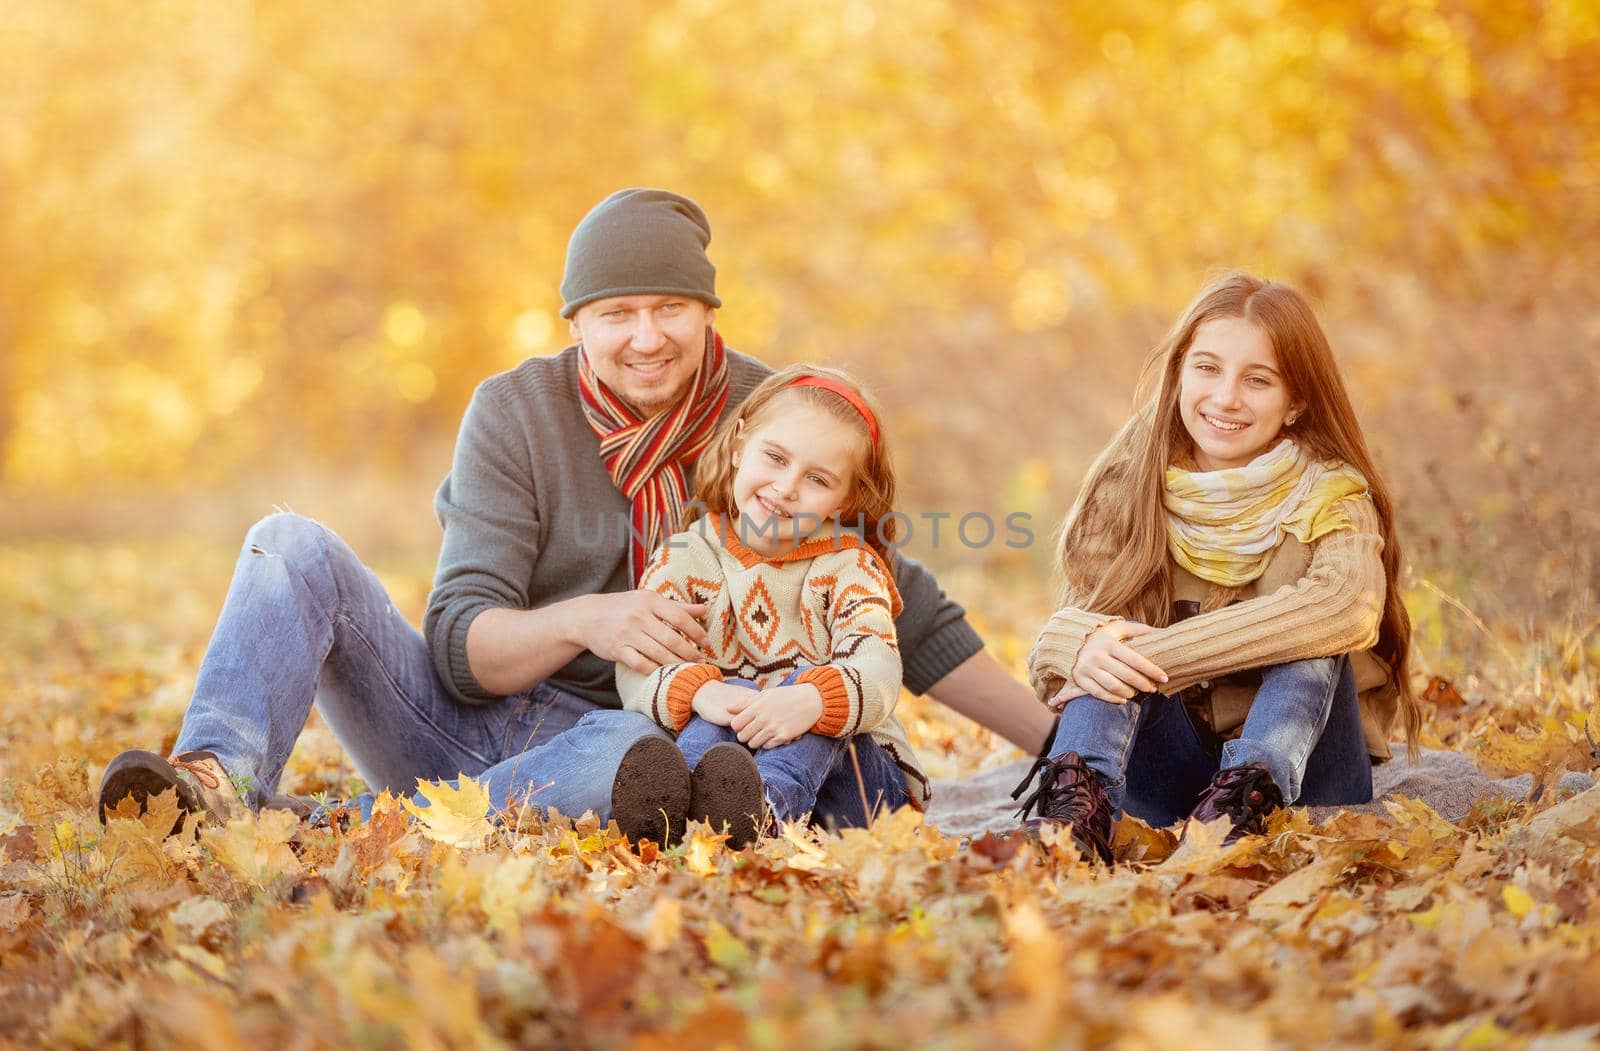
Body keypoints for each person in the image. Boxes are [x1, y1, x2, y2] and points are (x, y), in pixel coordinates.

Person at [96, 188, 1053, 834]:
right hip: (461, 721)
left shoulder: (772, 418)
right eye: (616, 313)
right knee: (287, 542)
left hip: (637, 740)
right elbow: (461, 649)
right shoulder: (514, 412)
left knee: (645, 760)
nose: (646, 338)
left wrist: (1056, 746)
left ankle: (361, 825)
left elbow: (897, 602)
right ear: (576, 322)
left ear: (708, 310)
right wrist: (592, 619)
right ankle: (211, 782)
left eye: (671, 307)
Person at [1017, 272, 1417, 863]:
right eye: (1207, 369)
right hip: (1167, 775)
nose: (1226, 398)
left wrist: (1149, 657)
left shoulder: (1332, 495)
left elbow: (1345, 610)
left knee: (1309, 633)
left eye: (1257, 380)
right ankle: (1073, 814)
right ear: (1180, 373)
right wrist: (1071, 643)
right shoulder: (1130, 484)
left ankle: (1241, 803)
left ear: (1296, 402)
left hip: (1303, 776)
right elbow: (1068, 648)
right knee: (1103, 643)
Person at [612, 364, 921, 848]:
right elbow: (637, 667)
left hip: (861, 795)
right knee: (723, 693)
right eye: (775, 457)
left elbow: (879, 667)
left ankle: (763, 816)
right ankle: (683, 815)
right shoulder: (684, 558)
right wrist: (700, 693)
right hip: (731, 772)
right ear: (739, 446)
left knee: (805, 686)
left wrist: (813, 699)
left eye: (817, 479)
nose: (786, 487)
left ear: (846, 499)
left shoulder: (849, 567)